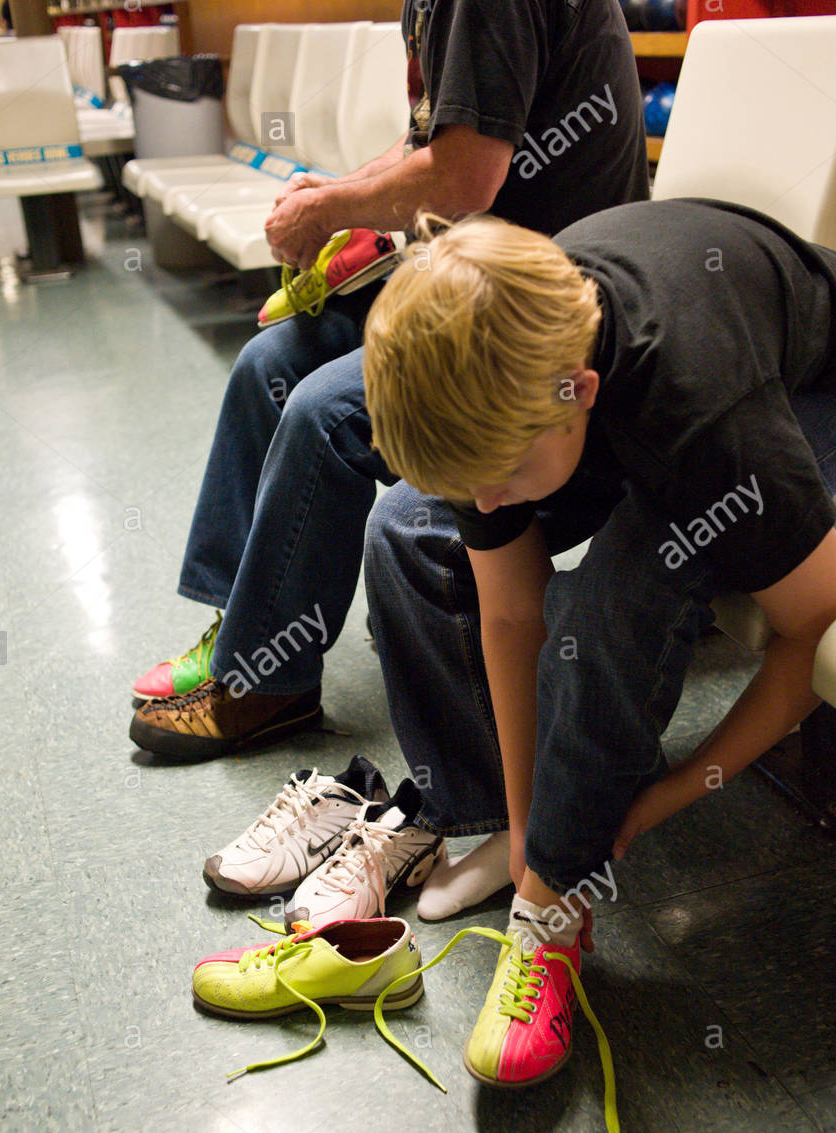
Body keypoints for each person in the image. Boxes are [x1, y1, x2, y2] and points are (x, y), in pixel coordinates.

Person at [360, 200, 836, 1089]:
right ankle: (522, 837)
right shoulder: (496, 374)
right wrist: (529, 812)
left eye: (496, 480)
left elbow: (813, 640)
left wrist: (656, 803)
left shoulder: (705, 421)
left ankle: (548, 912)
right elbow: (507, 616)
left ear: (577, 394)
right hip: (637, 396)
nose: (487, 502)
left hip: (806, 393)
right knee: (404, 528)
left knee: (614, 602)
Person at [129, 0, 648, 764]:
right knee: (270, 365)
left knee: (321, 414)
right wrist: (332, 195)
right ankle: (242, 626)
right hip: (468, 272)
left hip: (541, 306)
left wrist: (332, 207)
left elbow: (466, 176)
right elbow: (429, 136)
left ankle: (265, 681)